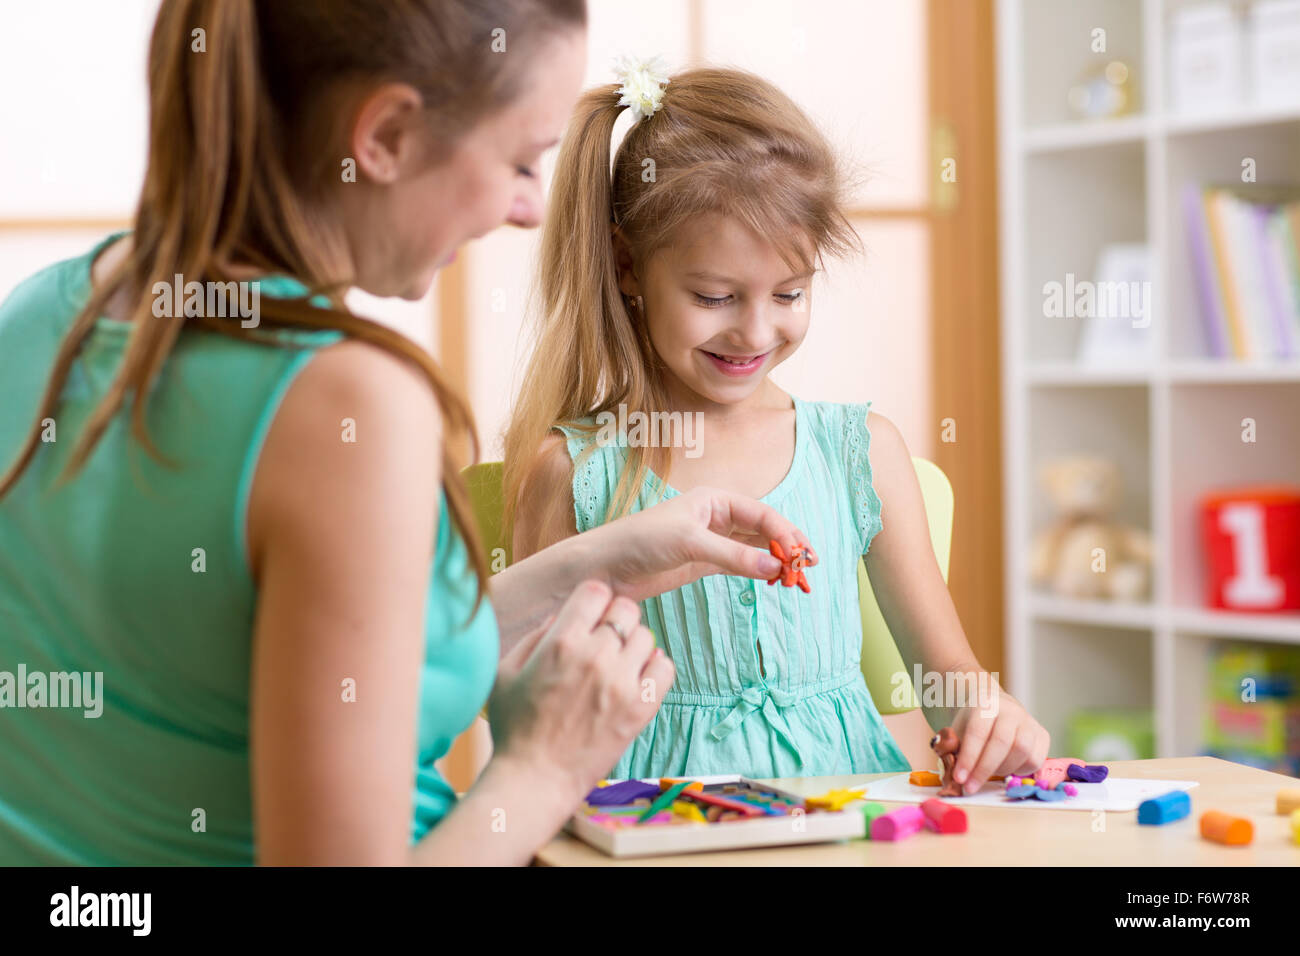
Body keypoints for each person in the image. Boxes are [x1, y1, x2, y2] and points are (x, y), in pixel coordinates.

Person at [0, 0, 811, 866]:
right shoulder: (344, 407)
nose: (531, 209)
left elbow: (284, 666)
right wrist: (546, 766)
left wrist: (594, 561)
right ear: (384, 134)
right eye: (520, 161)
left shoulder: (51, 312)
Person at [507, 66, 1050, 786]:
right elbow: (524, 719)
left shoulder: (862, 454)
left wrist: (990, 717)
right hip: (644, 832)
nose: (755, 331)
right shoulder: (573, 472)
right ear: (627, 265)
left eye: (790, 292)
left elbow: (950, 688)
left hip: (846, 829)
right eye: (714, 296)